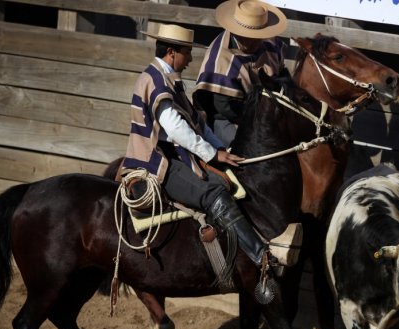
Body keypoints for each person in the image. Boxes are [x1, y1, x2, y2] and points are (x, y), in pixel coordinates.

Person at [119, 23, 274, 270]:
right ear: (171, 52)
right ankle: (260, 257)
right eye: (187, 52)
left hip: (173, 154)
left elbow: (198, 124)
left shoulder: (167, 80)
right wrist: (212, 154)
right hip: (156, 162)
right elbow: (177, 130)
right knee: (214, 193)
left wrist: (220, 151)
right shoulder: (158, 82)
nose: (190, 59)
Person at [194, 0, 288, 146]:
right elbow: (225, 107)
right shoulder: (220, 60)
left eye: (260, 35)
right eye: (251, 36)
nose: (257, 41)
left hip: (270, 110)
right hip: (229, 118)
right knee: (246, 148)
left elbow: (283, 76)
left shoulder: (271, 45)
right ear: (238, 33)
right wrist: (260, 120)